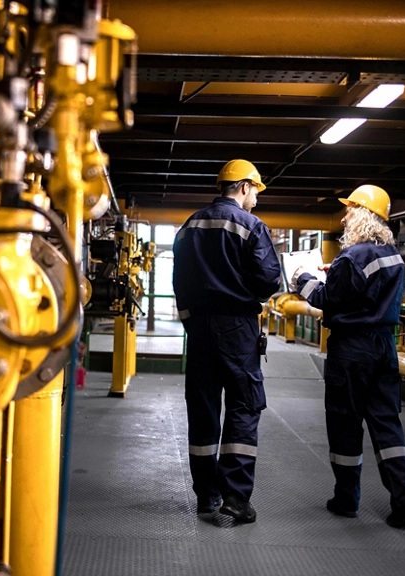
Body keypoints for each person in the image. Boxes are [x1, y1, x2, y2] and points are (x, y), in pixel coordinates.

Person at [293, 184, 405, 529]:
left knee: (344, 422)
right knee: (386, 423)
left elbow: (325, 299)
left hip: (352, 350)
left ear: (365, 215)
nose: (345, 216)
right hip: (384, 347)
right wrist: (335, 271)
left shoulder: (354, 256)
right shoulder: (392, 255)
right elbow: (363, 289)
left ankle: (346, 499)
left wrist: (301, 278)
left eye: (350, 210)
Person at [172, 159, 282, 523]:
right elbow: (268, 280)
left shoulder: (190, 225)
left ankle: (206, 496)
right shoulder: (251, 226)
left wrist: (190, 320)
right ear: (245, 187)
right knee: (244, 406)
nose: (256, 200)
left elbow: (180, 282)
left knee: (202, 409)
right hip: (237, 328)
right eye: (256, 192)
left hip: (199, 328)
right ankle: (236, 497)